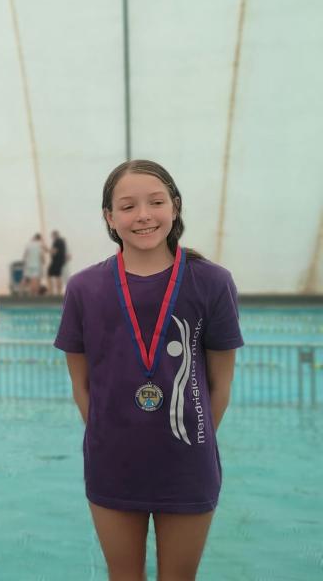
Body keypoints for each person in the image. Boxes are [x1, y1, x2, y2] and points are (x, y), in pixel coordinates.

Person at [54, 160, 243, 580]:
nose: (143, 215)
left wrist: (190, 441)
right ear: (110, 217)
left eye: (156, 202)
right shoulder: (84, 288)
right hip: (113, 463)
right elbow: (81, 383)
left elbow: (220, 384)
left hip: (187, 463)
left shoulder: (211, 283)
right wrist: (110, 436)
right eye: (128, 206)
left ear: (175, 206)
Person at [47, 230, 68, 296]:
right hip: (60, 261)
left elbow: (54, 251)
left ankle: (51, 292)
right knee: (58, 276)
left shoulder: (57, 241)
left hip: (56, 261)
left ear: (54, 235)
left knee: (49, 275)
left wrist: (46, 249)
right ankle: (59, 292)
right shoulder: (62, 241)